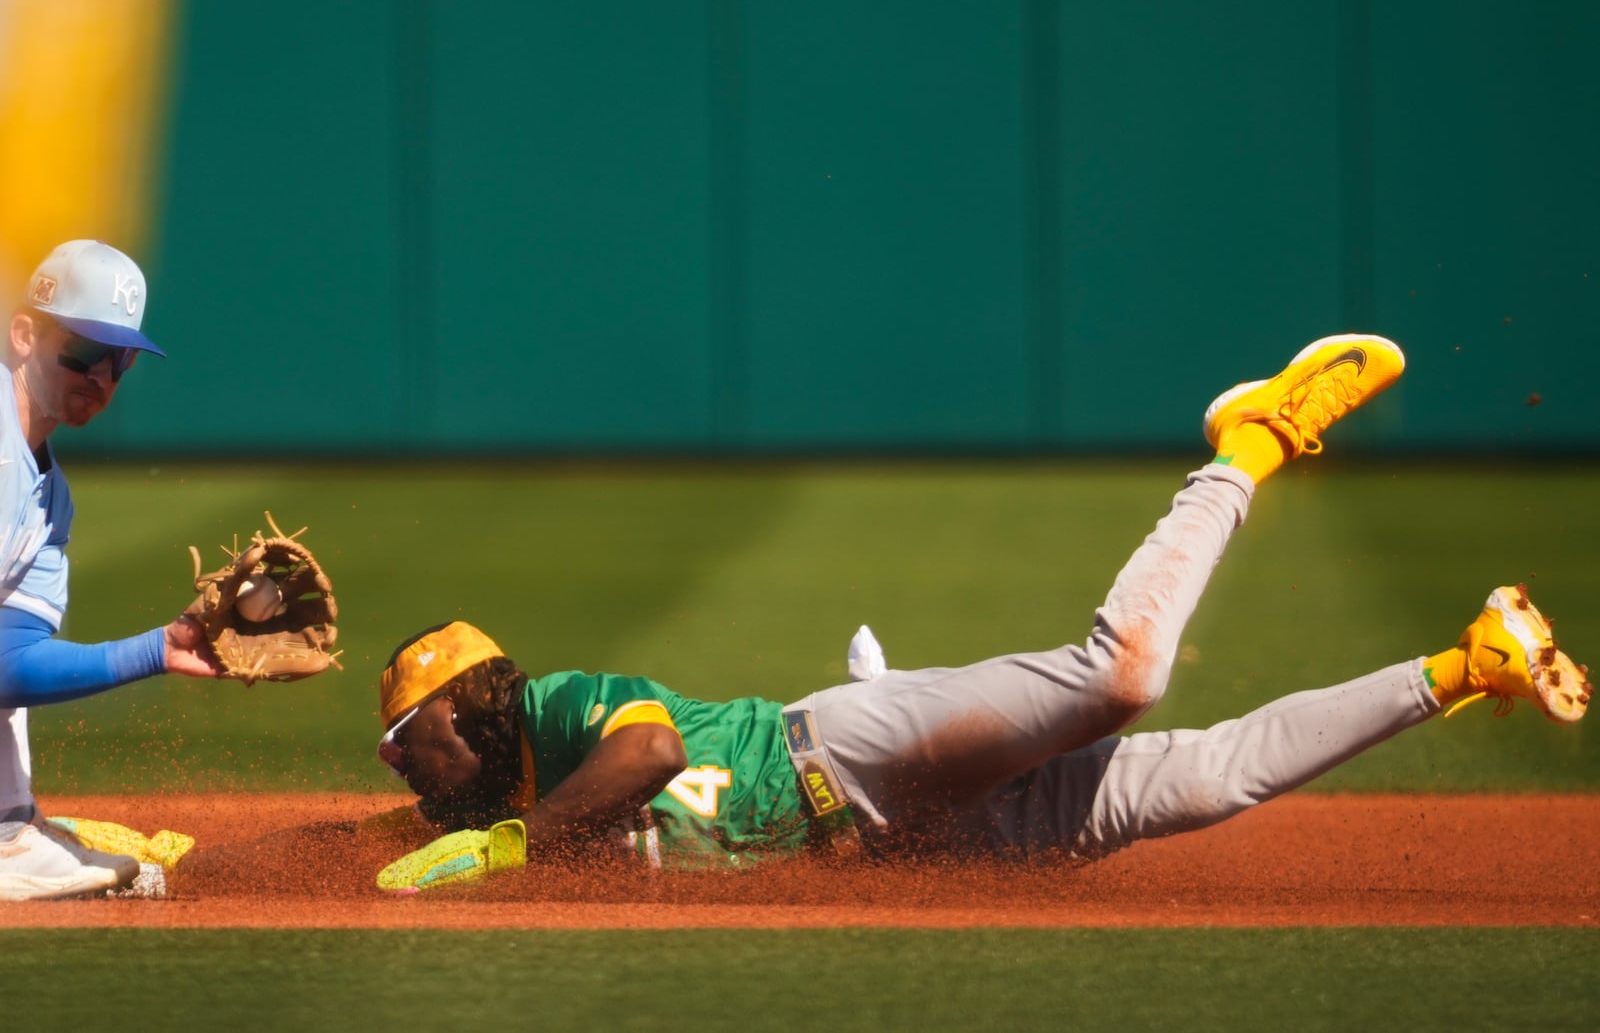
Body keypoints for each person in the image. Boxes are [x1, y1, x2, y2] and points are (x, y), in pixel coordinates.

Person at [370, 334, 1591, 886]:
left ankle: (1247, 441)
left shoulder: (559, 711)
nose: (401, 769)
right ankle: (1464, 662)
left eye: (399, 739)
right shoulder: (490, 809)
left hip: (841, 750)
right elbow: (365, 844)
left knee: (1123, 677)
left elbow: (654, 751)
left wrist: (516, 847)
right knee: (1210, 782)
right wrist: (197, 862)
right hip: (900, 838)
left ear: (454, 702)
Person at [0, 239, 223, 901]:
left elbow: (11, 658)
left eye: (118, 360)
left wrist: (159, 647)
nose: (101, 375)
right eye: (84, 350)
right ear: (22, 334)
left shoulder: (49, 496)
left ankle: (10, 830)